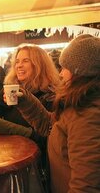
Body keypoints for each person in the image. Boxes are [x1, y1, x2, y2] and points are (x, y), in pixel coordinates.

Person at [14, 34, 100, 193]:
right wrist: (25, 100)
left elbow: (86, 184)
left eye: (65, 68)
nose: (60, 74)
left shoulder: (88, 114)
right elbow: (50, 125)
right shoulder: (77, 103)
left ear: (80, 72)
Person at [0, 44, 60, 192]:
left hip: (38, 167)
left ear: (39, 64)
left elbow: (49, 137)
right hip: (10, 163)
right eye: (17, 61)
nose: (19, 65)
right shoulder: (10, 89)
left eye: (25, 61)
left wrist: (13, 129)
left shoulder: (51, 95)